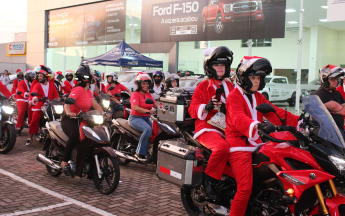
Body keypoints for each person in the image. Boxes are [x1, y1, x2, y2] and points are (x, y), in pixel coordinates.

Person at [225, 56, 301, 216]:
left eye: (259, 78)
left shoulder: (258, 96)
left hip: (258, 144)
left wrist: (301, 121)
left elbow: (277, 113)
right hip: (240, 147)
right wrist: (257, 126)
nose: (257, 81)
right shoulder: (234, 96)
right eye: (253, 77)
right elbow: (238, 118)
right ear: (243, 77)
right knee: (245, 188)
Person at [188, 46, 234, 199]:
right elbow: (192, 108)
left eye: (223, 65)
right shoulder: (203, 85)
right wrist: (206, 107)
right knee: (221, 148)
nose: (220, 68)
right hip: (207, 128)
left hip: (228, 129)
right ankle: (209, 181)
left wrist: (226, 108)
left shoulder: (230, 86)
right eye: (216, 65)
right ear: (209, 67)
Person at [61, 65, 108, 173]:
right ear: (87, 78)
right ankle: (65, 161)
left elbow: (95, 105)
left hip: (83, 119)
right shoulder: (78, 89)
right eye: (91, 76)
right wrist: (69, 113)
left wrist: (104, 114)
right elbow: (67, 103)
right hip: (70, 119)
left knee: (93, 135)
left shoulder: (88, 91)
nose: (93, 78)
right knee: (75, 135)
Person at [129, 73, 158, 162]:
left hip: (146, 118)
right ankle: (138, 153)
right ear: (139, 84)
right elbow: (135, 107)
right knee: (148, 130)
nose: (146, 85)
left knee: (157, 129)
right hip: (135, 118)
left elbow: (155, 104)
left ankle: (151, 150)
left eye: (147, 83)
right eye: (143, 83)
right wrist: (148, 111)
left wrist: (163, 109)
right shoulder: (135, 94)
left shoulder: (148, 94)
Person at [26, 68, 59, 146]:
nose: (39, 77)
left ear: (45, 77)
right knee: (34, 120)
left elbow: (55, 95)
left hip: (50, 105)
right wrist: (35, 98)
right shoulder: (37, 85)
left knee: (56, 118)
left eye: (41, 76)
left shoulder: (51, 84)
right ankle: (30, 137)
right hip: (39, 105)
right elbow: (34, 93)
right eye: (38, 76)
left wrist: (58, 100)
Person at [314, 65, 345, 132]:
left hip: (339, 129)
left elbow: (343, 110)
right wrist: (340, 110)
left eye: (337, 79)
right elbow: (339, 108)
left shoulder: (336, 92)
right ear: (324, 80)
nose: (336, 81)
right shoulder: (320, 93)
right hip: (327, 131)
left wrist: (338, 111)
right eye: (333, 79)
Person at [16, 70, 35, 135]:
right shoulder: (21, 82)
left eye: (33, 77)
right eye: (31, 77)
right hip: (22, 99)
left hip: (30, 99)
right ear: (27, 76)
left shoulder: (32, 83)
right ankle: (18, 127)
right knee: (21, 111)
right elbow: (21, 90)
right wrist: (25, 93)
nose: (33, 78)